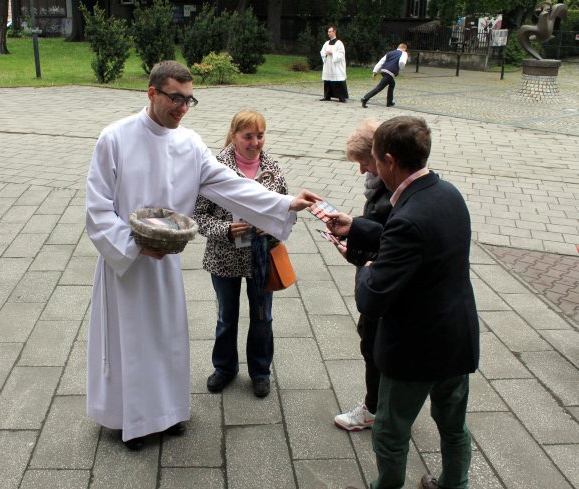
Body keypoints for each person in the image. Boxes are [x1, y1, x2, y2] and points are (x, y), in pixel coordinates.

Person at [85, 60, 321, 451]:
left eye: (188, 99)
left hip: (165, 265)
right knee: (132, 340)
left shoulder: (189, 143)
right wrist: (134, 245)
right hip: (125, 264)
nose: (182, 107)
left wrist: (284, 203)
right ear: (152, 93)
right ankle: (132, 419)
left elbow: (228, 185)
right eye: (175, 98)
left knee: (167, 339)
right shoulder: (114, 138)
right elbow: (96, 209)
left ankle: (168, 413)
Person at [329, 116, 479, 489]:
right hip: (456, 337)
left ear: (390, 161)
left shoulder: (408, 216)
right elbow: (416, 242)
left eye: (376, 160)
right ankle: (454, 484)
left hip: (415, 348)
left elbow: (372, 297)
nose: (374, 167)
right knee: (452, 424)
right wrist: (358, 225)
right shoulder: (447, 193)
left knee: (391, 433)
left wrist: (366, 264)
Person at [192, 109, 286, 399]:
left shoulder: (272, 167)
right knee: (226, 316)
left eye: (260, 135)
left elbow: (284, 210)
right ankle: (225, 368)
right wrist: (226, 230)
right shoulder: (215, 167)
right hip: (224, 256)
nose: (255, 142)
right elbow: (197, 216)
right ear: (233, 136)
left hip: (261, 256)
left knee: (262, 317)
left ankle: (260, 371)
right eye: (248, 136)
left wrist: (269, 228)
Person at [331, 119, 392, 432]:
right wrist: (352, 242)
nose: (362, 170)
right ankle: (384, 404)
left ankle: (374, 408)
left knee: (373, 345)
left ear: (383, 157)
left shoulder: (395, 193)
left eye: (365, 162)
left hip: (382, 289)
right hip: (372, 280)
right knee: (370, 341)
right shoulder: (381, 187)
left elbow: (393, 239)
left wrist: (356, 230)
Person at [361, 43, 408, 108]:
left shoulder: (390, 53)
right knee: (379, 87)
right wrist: (400, 69)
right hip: (390, 72)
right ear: (404, 48)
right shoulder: (404, 53)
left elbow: (381, 62)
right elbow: (402, 62)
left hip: (383, 71)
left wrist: (375, 71)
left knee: (392, 84)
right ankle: (365, 98)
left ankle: (389, 102)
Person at [319, 26, 348, 103]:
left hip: (336, 65)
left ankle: (341, 97)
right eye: (328, 31)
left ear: (334, 32)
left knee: (338, 80)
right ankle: (327, 96)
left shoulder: (339, 43)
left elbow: (341, 54)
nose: (328, 33)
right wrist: (325, 53)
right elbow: (322, 52)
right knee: (328, 80)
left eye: (330, 31)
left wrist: (332, 53)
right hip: (328, 64)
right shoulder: (326, 43)